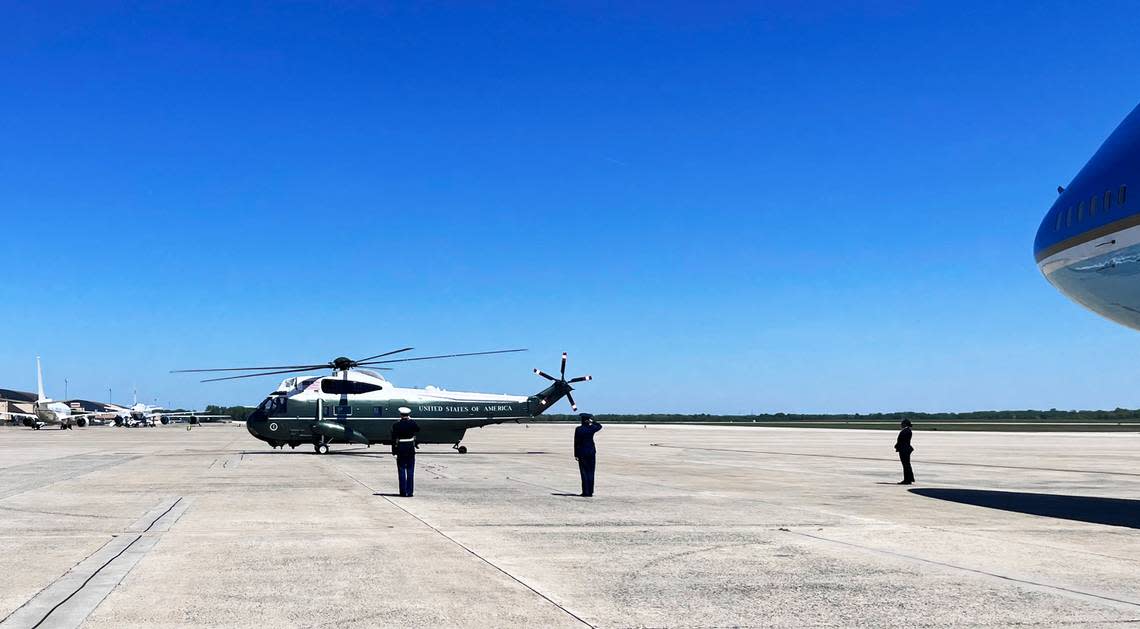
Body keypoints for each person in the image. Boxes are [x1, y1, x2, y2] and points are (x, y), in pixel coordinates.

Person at [390, 407, 420, 497]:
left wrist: (394, 451)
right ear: (408, 415)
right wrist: (411, 420)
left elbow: (393, 439)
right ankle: (409, 492)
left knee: (401, 470)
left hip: (401, 448)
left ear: (400, 414)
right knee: (410, 471)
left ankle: (403, 492)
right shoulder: (412, 423)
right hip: (410, 448)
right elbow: (418, 429)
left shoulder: (396, 425)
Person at [574, 413, 602, 497]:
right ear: (588, 420)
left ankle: (585, 491)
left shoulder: (579, 429)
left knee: (584, 472)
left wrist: (576, 454)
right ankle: (590, 491)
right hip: (591, 452)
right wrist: (592, 421)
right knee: (591, 472)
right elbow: (599, 426)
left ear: (582, 420)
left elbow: (576, 442)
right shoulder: (591, 428)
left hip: (582, 452)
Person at [894, 419, 915, 485]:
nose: (901, 424)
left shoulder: (906, 431)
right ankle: (909, 479)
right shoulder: (907, 430)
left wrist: (897, 446)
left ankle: (907, 480)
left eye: (902, 423)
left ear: (905, 424)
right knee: (907, 465)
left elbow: (902, 441)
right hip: (905, 449)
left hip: (904, 449)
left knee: (906, 465)